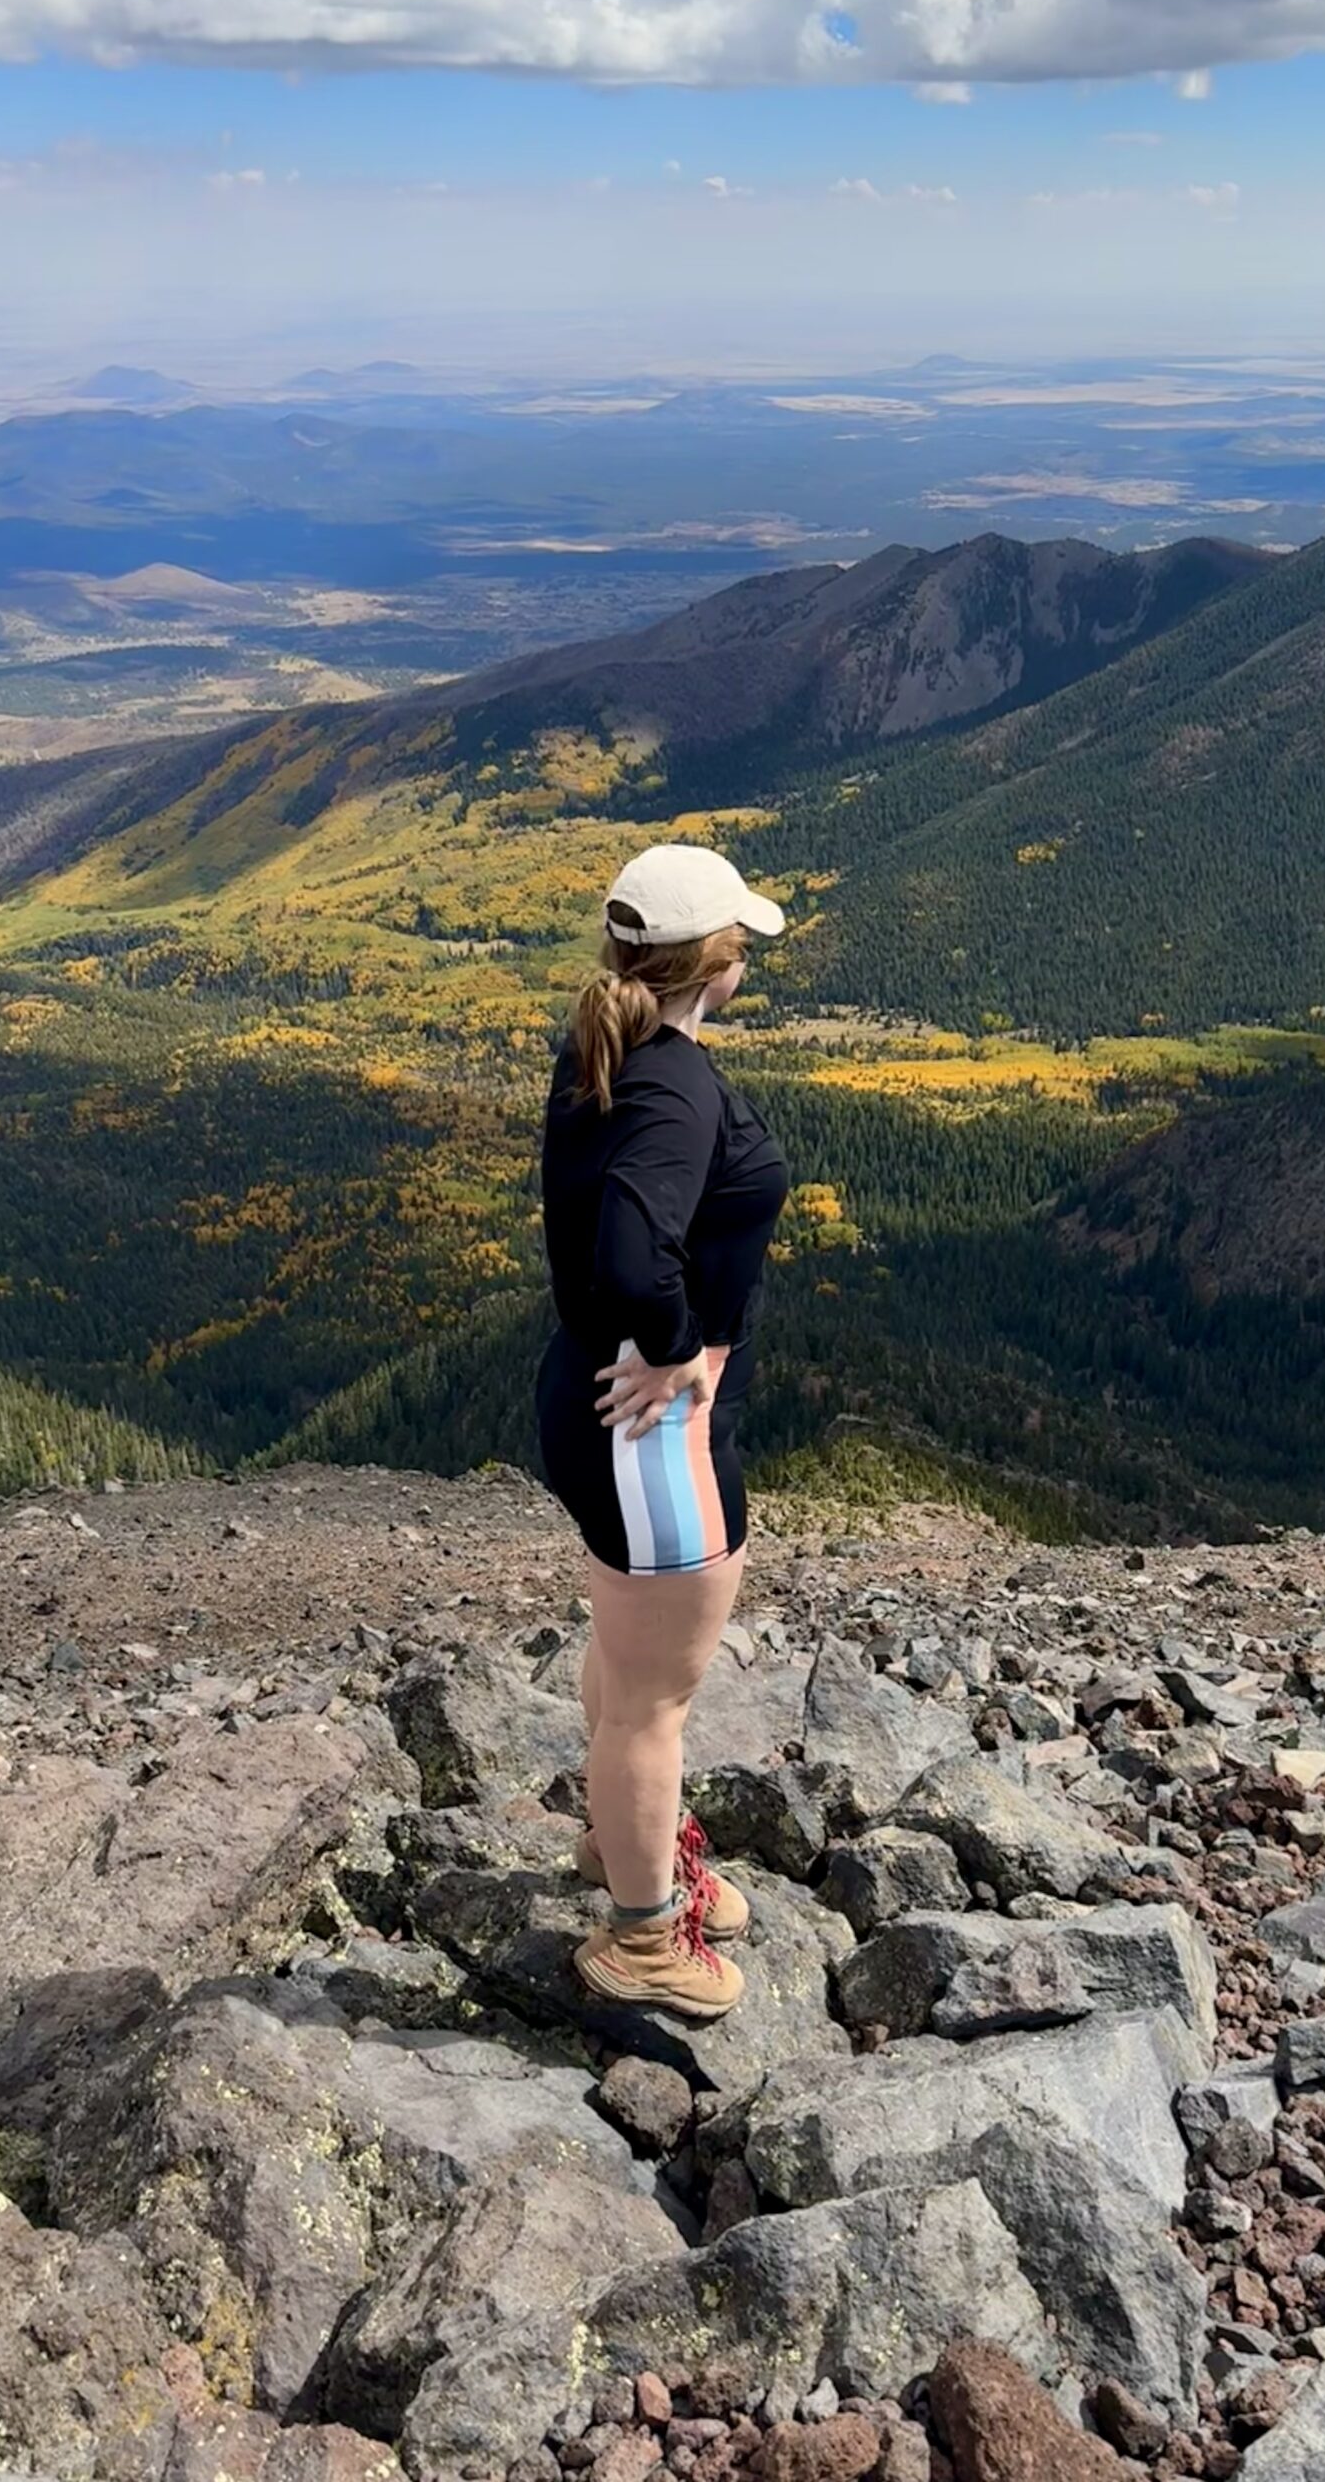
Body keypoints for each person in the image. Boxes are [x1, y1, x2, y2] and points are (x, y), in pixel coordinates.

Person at [535, 841, 790, 2021]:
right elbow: (638, 1260)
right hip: (653, 1434)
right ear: (719, 960)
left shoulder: (608, 1045)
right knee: (655, 1696)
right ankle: (642, 1939)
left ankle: (619, 1842)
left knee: (624, 1654)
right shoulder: (676, 1084)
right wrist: (682, 1344)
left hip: (592, 1402)